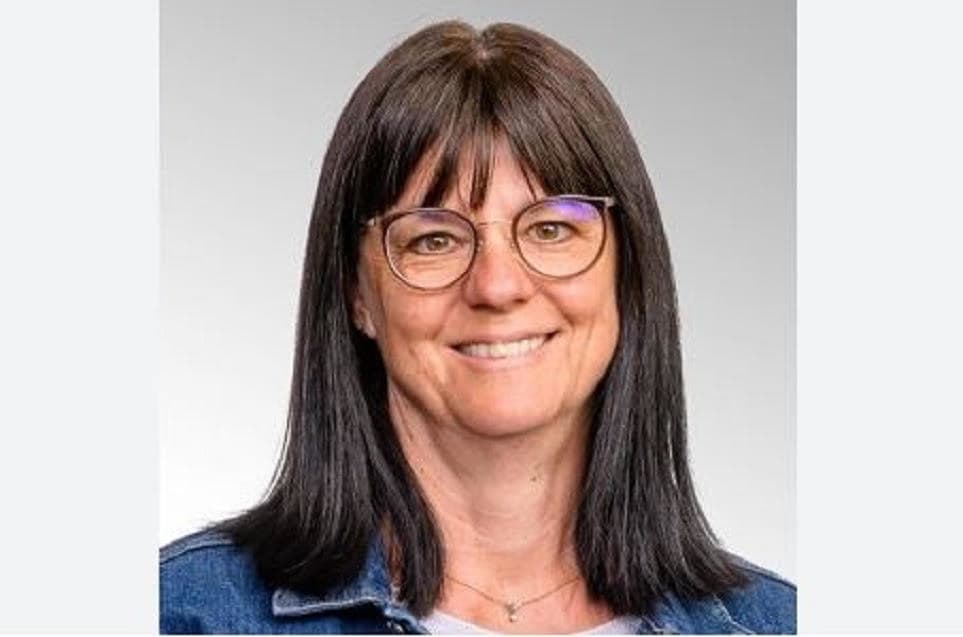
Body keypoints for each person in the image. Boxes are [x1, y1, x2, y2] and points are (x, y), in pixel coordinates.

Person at [160, 20, 795, 634]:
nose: (497, 286)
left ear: (627, 272)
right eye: (433, 240)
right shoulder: (184, 617)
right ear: (356, 293)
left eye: (552, 229)